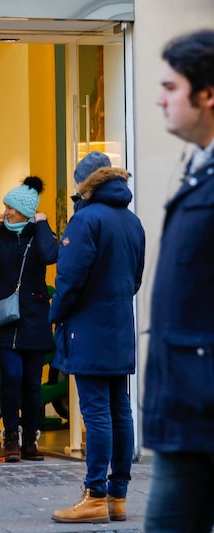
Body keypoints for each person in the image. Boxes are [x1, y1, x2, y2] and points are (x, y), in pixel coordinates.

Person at [143, 29, 214, 533]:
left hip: (200, 398)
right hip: (184, 405)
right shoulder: (197, 170)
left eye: (171, 87)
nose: (159, 98)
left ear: (207, 94)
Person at [49, 152, 145, 523]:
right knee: (120, 408)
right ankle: (117, 496)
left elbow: (70, 280)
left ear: (85, 185)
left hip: (87, 327)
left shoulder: (85, 220)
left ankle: (94, 495)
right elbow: (134, 279)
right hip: (119, 325)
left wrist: (55, 314)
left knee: (97, 412)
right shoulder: (132, 222)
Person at [0, 176, 59, 462]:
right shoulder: (1, 233)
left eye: (11, 208)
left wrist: (41, 223)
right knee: (12, 378)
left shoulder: (38, 233)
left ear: (26, 211)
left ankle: (30, 440)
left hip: (34, 317)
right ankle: (10, 439)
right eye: (5, 207)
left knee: (32, 383)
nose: (6, 212)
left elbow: (50, 255)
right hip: (6, 317)